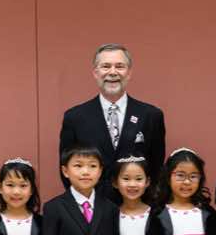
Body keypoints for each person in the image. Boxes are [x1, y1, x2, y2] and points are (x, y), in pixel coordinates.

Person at [59, 43, 166, 198]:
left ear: (129, 73)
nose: (113, 72)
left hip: (136, 204)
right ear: (95, 73)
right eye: (106, 66)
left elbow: (156, 167)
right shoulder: (75, 117)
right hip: (93, 205)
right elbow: (67, 168)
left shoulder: (151, 115)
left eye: (120, 66)